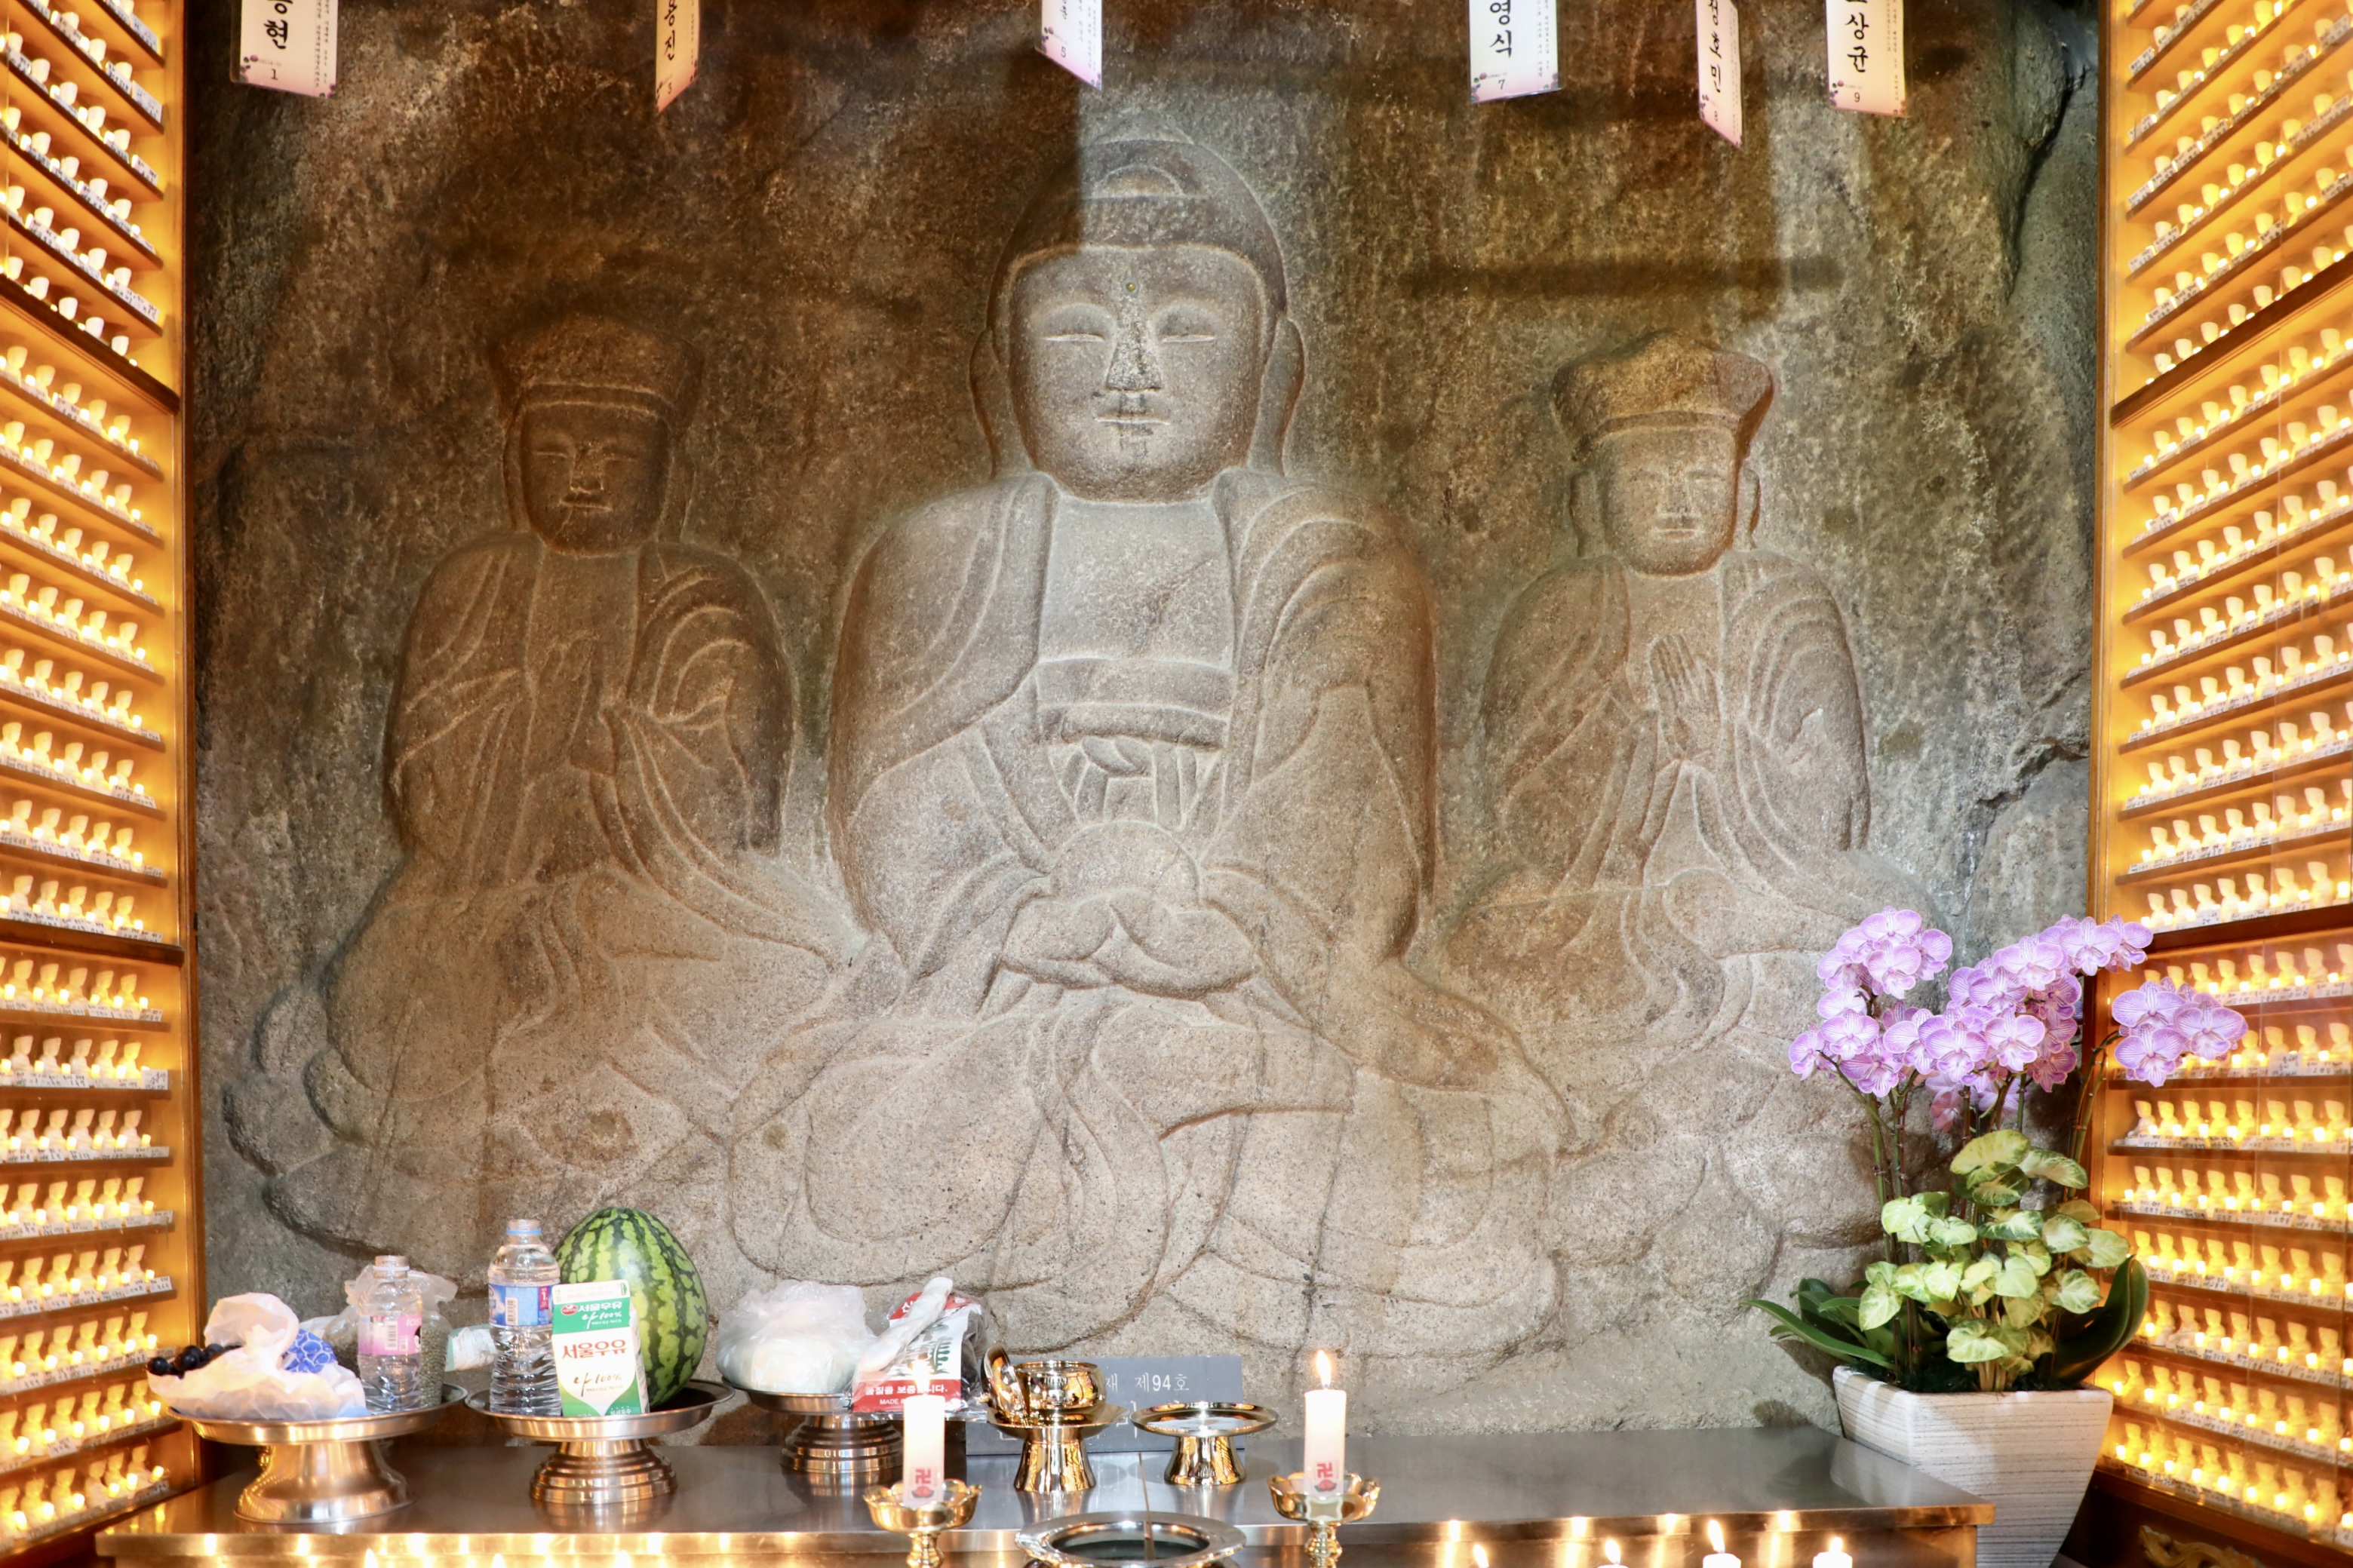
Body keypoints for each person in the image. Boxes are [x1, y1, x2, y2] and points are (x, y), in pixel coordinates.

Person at [731, 134, 1561, 1375]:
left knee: (1410, 1168)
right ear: (998, 374)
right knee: (864, 1141)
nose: (1130, 368)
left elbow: (1359, 803)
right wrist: (1023, 918)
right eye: (1076, 334)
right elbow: (890, 802)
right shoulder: (940, 553)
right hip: (999, 979)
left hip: (1259, 975)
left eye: (1185, 329)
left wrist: (1222, 921)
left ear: (1271, 368)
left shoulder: (1331, 550)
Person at [232, 315, 845, 1278]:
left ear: (669, 470)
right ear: (513, 458)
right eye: (554, 453)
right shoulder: (474, 585)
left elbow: (735, 794)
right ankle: (481, 1222)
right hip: (478, 887)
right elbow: (423, 780)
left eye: (615, 455)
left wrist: (615, 753)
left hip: (661, 894)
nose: (583, 476)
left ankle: (670, 1200)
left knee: (787, 983)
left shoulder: (703, 592)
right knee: (401, 1006)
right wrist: (523, 735)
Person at [1447, 332, 1924, 1085]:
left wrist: (1721, 748)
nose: (1676, 503)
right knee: (1476, 944)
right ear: (1589, 500)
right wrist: (1630, 743)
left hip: (1768, 894)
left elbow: (1834, 807)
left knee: (1896, 933)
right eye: (1645, 480)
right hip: (1596, 907)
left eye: (1701, 477)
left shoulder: (1786, 602)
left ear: (1745, 491)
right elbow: (1516, 803)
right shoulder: (1558, 608)